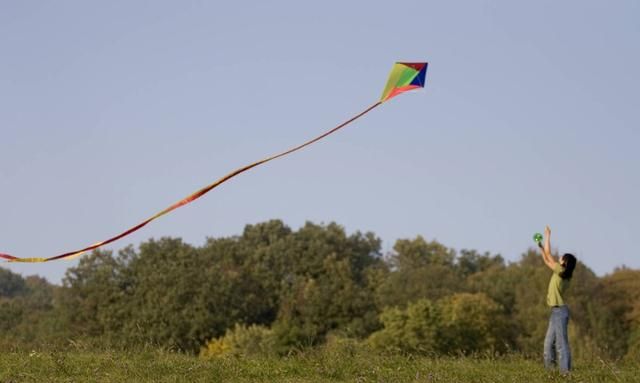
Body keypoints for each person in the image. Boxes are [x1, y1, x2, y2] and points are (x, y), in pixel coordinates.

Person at [538, 225, 577, 374]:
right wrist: (540, 247)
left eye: (561, 257)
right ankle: (551, 373)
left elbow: (549, 255)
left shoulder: (560, 271)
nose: (559, 257)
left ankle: (565, 373)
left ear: (564, 263)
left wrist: (548, 235)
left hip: (559, 312)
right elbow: (547, 260)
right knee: (548, 345)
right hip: (555, 311)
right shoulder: (562, 273)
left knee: (561, 344)